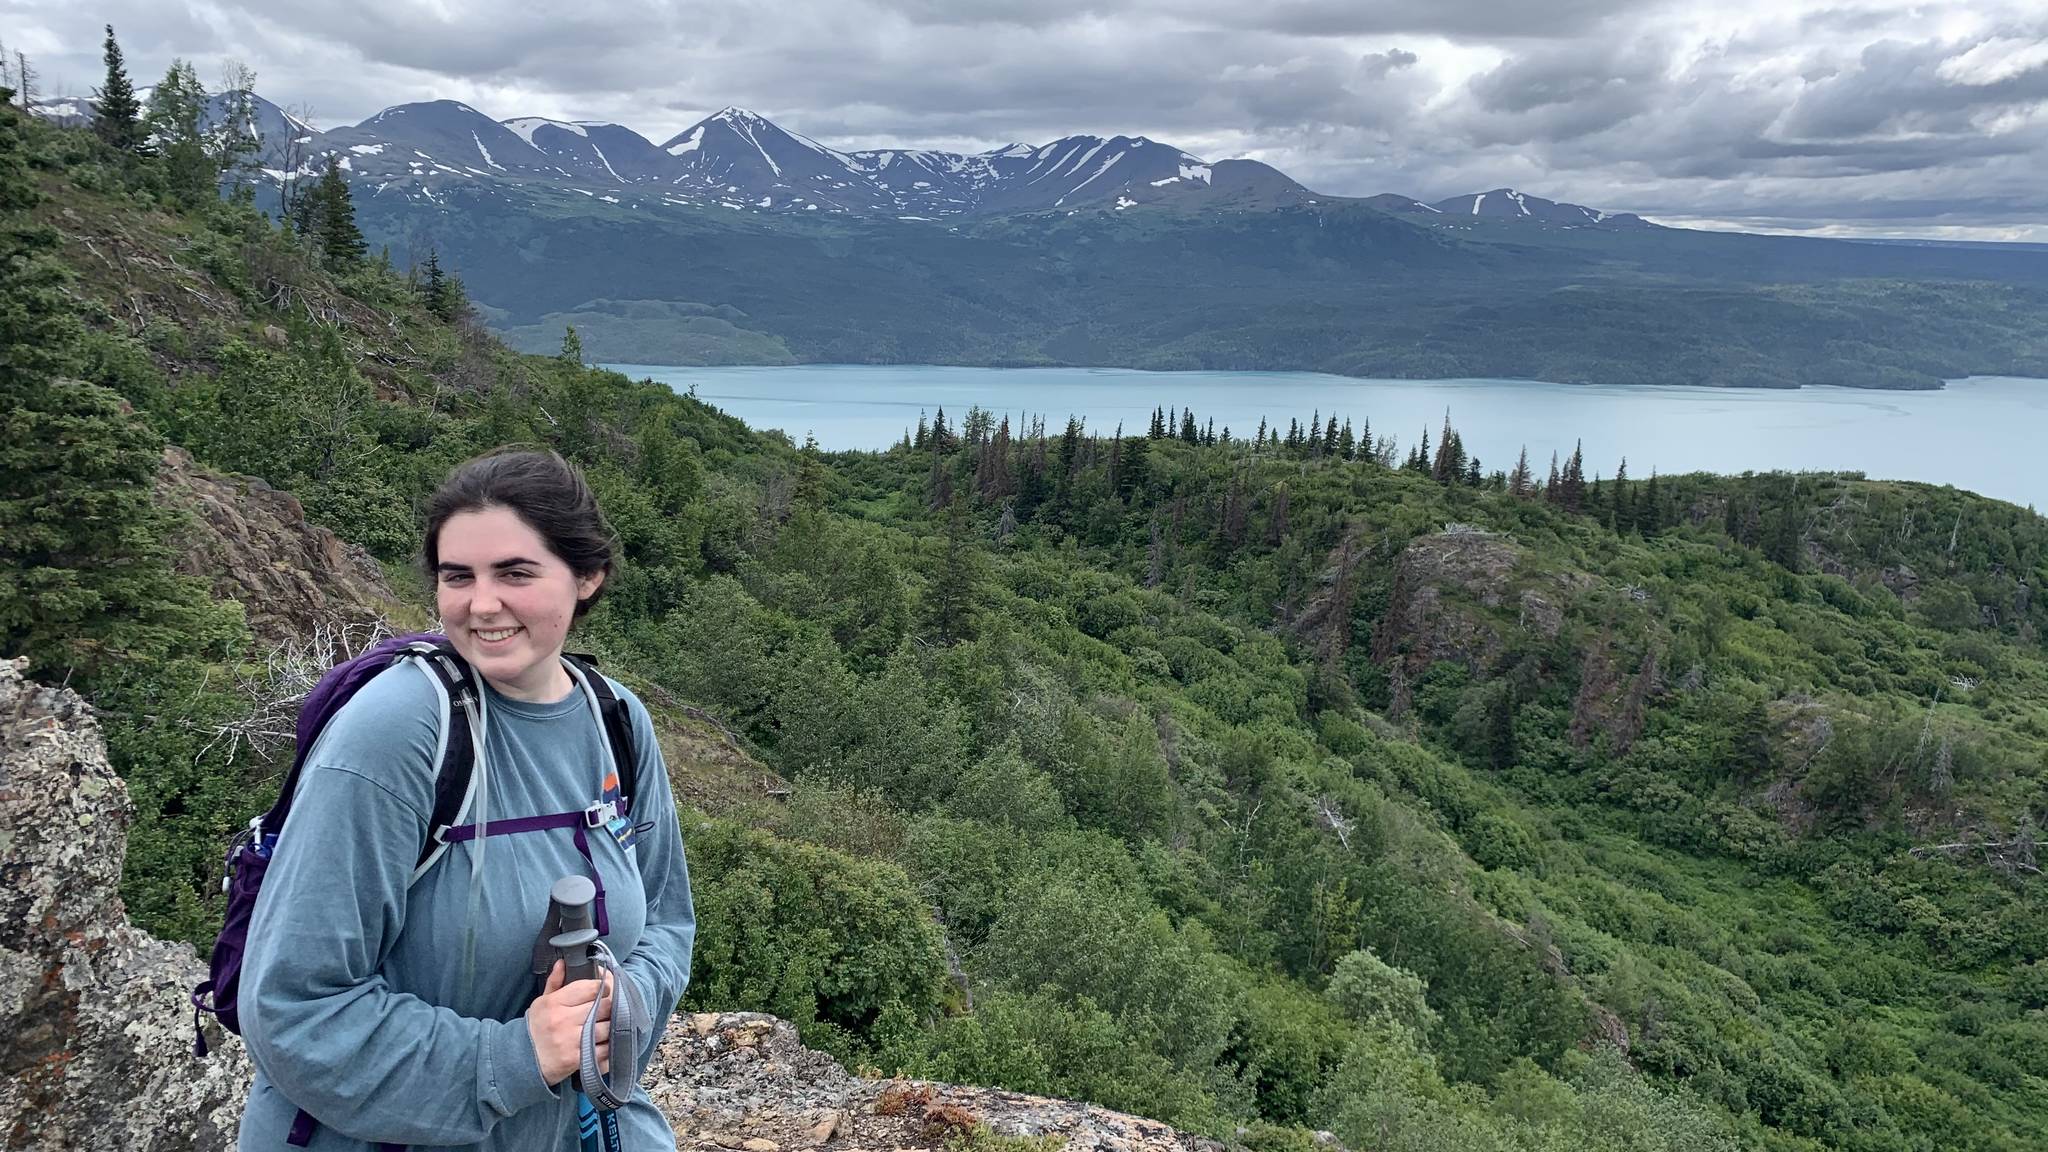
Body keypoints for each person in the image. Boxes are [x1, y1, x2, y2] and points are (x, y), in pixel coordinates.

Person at [236, 448, 696, 1151]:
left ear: (587, 577)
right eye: (458, 577)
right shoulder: (398, 732)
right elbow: (294, 1007)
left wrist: (619, 1007)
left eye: (515, 573)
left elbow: (667, 918)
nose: (482, 604)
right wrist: (522, 1056)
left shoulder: (616, 722)